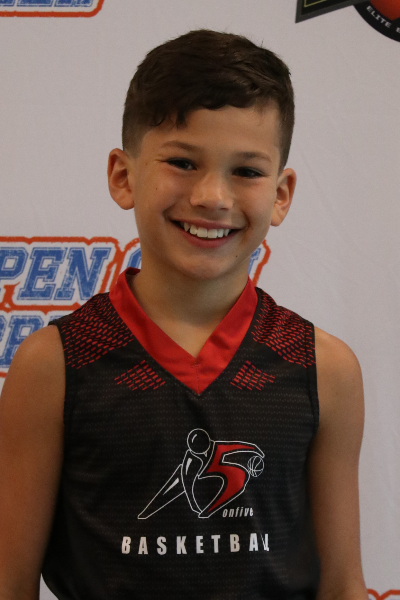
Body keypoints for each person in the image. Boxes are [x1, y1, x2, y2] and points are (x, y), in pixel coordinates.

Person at [0, 29, 368, 600]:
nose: (212, 196)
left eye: (246, 171)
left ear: (281, 193)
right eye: (182, 162)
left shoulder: (325, 369)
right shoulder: (54, 366)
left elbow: (343, 586)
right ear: (123, 176)